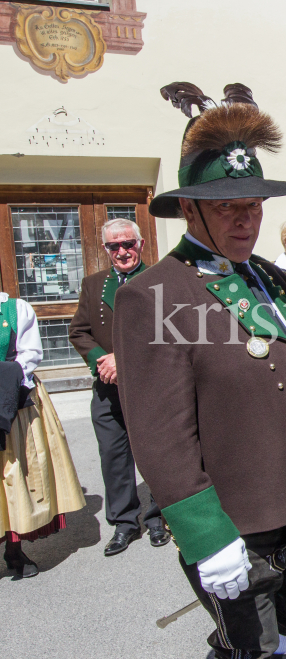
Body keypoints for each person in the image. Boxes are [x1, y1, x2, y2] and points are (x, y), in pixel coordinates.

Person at [116, 83, 286, 659]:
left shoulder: (270, 278)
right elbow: (158, 432)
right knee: (250, 643)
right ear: (189, 208)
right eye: (229, 207)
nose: (246, 220)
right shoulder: (152, 293)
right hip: (240, 512)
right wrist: (204, 532)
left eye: (253, 205)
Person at [69, 218, 169, 557]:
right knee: (113, 455)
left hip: (151, 385)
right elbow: (79, 332)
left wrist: (121, 359)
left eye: (128, 243)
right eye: (115, 246)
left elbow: (171, 332)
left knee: (156, 451)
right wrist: (102, 359)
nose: (122, 251)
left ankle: (157, 517)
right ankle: (125, 523)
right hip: (107, 387)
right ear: (106, 249)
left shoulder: (161, 279)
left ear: (141, 244)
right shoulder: (93, 284)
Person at [1, 294, 85, 578]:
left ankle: (13, 549)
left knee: (15, 473)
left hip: (10, 399)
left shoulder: (14, 309)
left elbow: (29, 354)